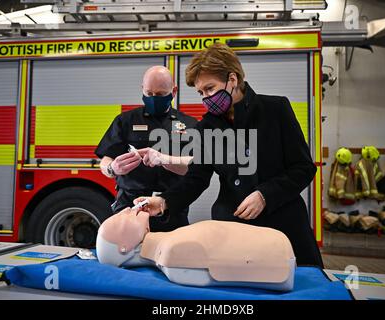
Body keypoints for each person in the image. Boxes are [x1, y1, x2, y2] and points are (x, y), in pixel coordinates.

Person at [134, 43, 324, 267]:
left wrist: (265, 195)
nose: (205, 97)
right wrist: (163, 201)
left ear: (232, 80)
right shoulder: (207, 128)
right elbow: (196, 179)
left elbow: (303, 167)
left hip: (283, 225)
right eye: (201, 92)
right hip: (233, 228)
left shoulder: (275, 109)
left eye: (210, 88)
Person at [95, 66, 197, 231]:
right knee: (126, 252)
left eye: (160, 94)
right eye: (149, 94)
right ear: (142, 90)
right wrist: (111, 168)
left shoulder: (190, 125)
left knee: (170, 254)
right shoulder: (125, 121)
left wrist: (163, 159)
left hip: (170, 206)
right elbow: (106, 159)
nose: (153, 99)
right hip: (130, 205)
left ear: (174, 91)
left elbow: (195, 167)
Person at [96, 207, 296, 291]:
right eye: (122, 219)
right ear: (124, 247)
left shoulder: (170, 246)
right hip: (279, 253)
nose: (127, 210)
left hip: (279, 249)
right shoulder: (171, 252)